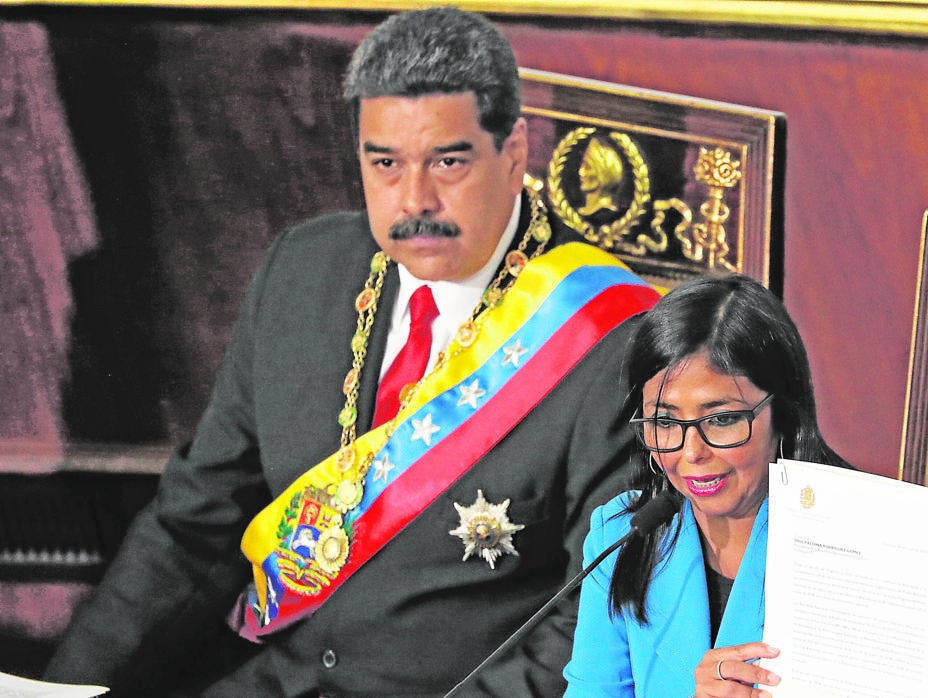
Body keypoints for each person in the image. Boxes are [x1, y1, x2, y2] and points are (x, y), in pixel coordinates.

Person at [44, 7, 659, 697]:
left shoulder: (615, 339)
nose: (414, 199)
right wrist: (66, 691)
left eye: (448, 161)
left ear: (513, 154)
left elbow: (587, 630)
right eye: (386, 164)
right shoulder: (300, 274)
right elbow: (194, 527)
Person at [563, 274, 928, 697]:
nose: (691, 452)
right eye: (664, 422)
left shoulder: (879, 533)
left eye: (720, 419)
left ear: (782, 415)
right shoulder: (621, 535)